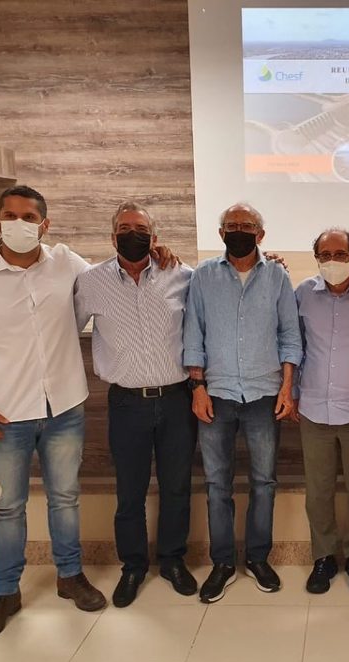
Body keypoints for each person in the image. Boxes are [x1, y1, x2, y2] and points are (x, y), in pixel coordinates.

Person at [0, 185, 106, 642]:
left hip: (63, 407)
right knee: (7, 506)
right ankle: (5, 592)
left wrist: (160, 255)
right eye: (9, 215)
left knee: (65, 498)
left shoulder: (66, 264)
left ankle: (70, 576)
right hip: (2, 413)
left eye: (29, 217)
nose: (19, 223)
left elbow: (110, 283)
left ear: (44, 225)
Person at [74, 202, 197, 608]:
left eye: (141, 229)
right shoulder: (91, 282)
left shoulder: (183, 276)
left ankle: (173, 560)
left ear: (155, 237)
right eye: (125, 229)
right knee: (130, 491)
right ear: (113, 237)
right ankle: (133, 566)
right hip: (127, 403)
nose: (133, 235)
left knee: (177, 487)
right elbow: (65, 330)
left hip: (177, 400)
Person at [183, 202, 302, 603]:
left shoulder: (278, 277)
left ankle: (257, 558)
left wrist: (287, 388)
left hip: (264, 395)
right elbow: (193, 334)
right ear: (221, 234)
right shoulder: (203, 276)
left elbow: (290, 335)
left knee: (264, 482)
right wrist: (197, 387)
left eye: (247, 225)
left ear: (260, 234)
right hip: (215, 395)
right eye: (231, 225)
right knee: (217, 483)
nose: (239, 230)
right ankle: (222, 563)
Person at [293, 229, 349, 594]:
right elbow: (294, 345)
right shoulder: (302, 293)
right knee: (318, 491)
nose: (333, 260)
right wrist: (292, 393)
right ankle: (324, 557)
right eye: (325, 254)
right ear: (316, 258)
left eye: (341, 254)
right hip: (313, 408)